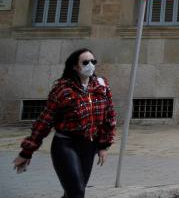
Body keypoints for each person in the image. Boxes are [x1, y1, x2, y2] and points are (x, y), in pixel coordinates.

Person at [12, 47, 117, 198]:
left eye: (93, 61)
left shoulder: (101, 86)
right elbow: (44, 122)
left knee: (74, 191)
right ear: (75, 66)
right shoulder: (63, 89)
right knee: (77, 193)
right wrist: (26, 152)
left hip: (89, 146)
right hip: (66, 145)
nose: (91, 65)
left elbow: (109, 117)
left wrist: (103, 146)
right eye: (85, 62)